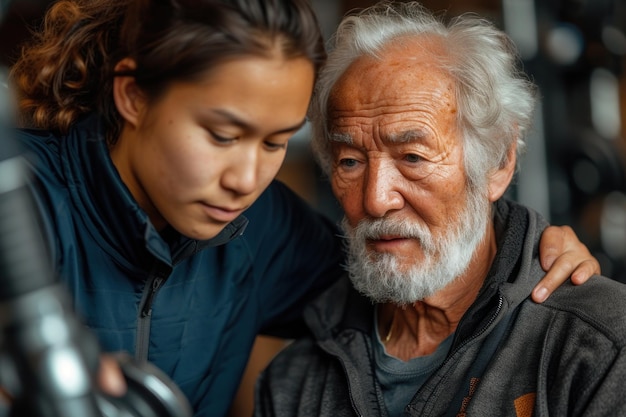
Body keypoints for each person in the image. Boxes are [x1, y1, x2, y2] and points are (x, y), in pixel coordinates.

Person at [4, 0, 599, 415]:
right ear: (132, 95)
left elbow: (404, 254)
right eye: (221, 135)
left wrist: (533, 252)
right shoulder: (18, 200)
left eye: (273, 143)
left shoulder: (256, 229)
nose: (245, 179)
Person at [253, 2, 626, 416]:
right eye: (350, 162)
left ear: (498, 163)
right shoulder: (295, 380)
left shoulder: (598, 345)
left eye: (412, 157)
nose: (376, 200)